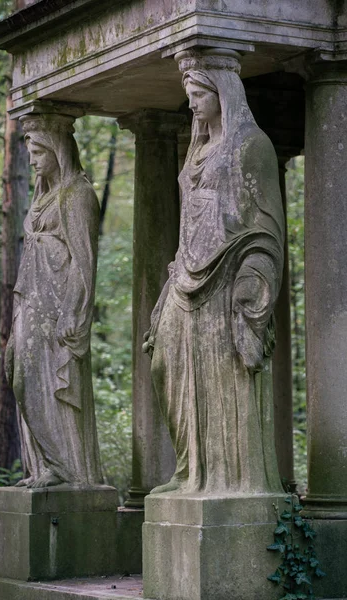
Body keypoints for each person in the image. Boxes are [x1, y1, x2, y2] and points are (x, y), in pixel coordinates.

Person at [143, 50, 285, 495]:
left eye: (199, 93)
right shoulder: (197, 150)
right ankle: (189, 470)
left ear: (223, 93)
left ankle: (226, 481)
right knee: (165, 366)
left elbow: (267, 227)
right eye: (189, 94)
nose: (192, 103)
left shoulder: (251, 146)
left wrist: (252, 280)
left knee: (225, 379)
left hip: (227, 281)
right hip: (186, 276)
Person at [5, 114, 103, 489]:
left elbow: (85, 261)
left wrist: (74, 312)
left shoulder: (77, 194)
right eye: (29, 153)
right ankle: (43, 464)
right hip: (31, 301)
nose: (32, 161)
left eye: (39, 153)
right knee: (19, 372)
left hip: (58, 306)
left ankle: (63, 468)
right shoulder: (42, 197)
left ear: (58, 151)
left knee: (38, 380)